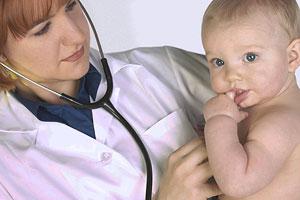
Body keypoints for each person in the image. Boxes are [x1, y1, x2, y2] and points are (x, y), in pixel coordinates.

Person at [0, 0, 221, 199]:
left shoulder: (160, 68)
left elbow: (253, 84)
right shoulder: (6, 171)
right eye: (43, 29)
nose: (77, 35)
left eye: (70, 6)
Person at [201, 0, 300, 199]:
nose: (231, 75)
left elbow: (237, 183)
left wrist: (219, 121)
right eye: (218, 62)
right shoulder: (263, 106)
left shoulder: (281, 121)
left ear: (292, 56)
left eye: (250, 57)